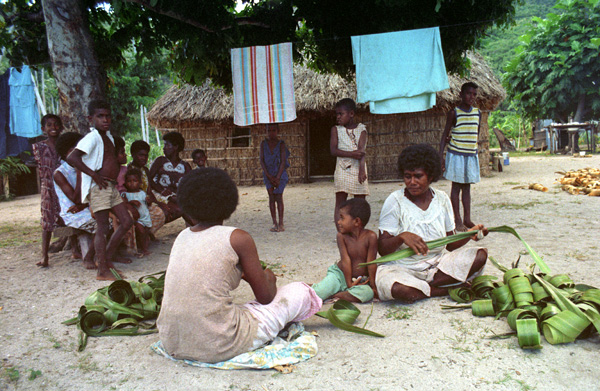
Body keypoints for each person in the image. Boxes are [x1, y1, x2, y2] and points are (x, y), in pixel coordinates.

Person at [157, 168, 322, 363]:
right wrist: (269, 276)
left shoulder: (182, 237)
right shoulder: (238, 238)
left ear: (187, 207)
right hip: (220, 344)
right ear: (229, 204)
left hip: (172, 341)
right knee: (299, 291)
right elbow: (266, 297)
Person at [377, 144, 488, 303]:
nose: (412, 182)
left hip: (438, 265)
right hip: (404, 268)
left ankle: (422, 288)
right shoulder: (395, 201)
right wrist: (401, 237)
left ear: (430, 176)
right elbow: (382, 249)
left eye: (418, 176)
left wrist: (470, 234)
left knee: (480, 255)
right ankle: (440, 289)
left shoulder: (442, 199)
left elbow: (450, 244)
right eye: (408, 176)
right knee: (398, 288)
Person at [67, 100, 133, 281]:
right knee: (103, 227)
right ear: (91, 119)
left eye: (107, 116)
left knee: (127, 220)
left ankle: (104, 257)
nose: (105, 120)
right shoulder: (92, 137)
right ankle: (102, 270)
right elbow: (72, 157)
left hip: (110, 186)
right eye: (100, 116)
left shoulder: (109, 137)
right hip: (99, 187)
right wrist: (94, 175)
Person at [312, 198, 378, 303]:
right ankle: (328, 291)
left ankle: (333, 294)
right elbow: (345, 260)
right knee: (319, 292)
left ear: (356, 221)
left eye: (342, 218)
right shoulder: (342, 236)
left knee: (367, 293)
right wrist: (348, 283)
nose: (338, 222)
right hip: (340, 275)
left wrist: (373, 286)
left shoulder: (371, 237)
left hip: (359, 279)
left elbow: (371, 263)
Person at [32, 114, 78, 267]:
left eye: (56, 125)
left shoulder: (66, 146)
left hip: (65, 186)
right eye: (49, 125)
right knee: (47, 222)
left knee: (67, 216)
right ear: (43, 129)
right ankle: (44, 256)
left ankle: (75, 250)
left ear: (62, 127)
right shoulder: (38, 147)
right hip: (48, 189)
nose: (53, 128)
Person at [439, 82, 481, 231]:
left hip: (470, 155)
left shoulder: (477, 113)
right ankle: (457, 220)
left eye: (474, 94)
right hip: (456, 154)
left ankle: (467, 219)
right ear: (461, 95)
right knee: (456, 187)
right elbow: (445, 135)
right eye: (469, 93)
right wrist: (440, 156)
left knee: (467, 187)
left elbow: (475, 132)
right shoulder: (454, 113)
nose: (472, 97)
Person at [53, 132, 97, 270]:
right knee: (101, 225)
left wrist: (83, 205)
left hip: (85, 208)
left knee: (112, 219)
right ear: (68, 153)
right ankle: (88, 257)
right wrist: (79, 172)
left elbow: (91, 193)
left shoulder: (86, 167)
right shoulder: (59, 173)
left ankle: (104, 255)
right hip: (72, 213)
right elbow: (76, 198)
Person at [330, 98, 368, 230]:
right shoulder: (336, 129)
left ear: (351, 114)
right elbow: (333, 150)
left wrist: (362, 170)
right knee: (340, 203)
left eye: (341, 114)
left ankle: (358, 231)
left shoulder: (361, 129)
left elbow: (361, 151)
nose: (338, 117)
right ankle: (341, 231)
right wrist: (352, 154)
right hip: (342, 169)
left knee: (360, 203)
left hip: (359, 168)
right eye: (337, 114)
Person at [148, 131, 192, 225]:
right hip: (160, 195)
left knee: (186, 207)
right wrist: (161, 190)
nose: (164, 148)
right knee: (181, 209)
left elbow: (190, 185)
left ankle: (197, 228)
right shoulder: (160, 161)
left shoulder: (185, 166)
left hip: (176, 197)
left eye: (167, 145)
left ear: (176, 147)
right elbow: (148, 179)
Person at [127, 140, 166, 238]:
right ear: (133, 154)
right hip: (136, 202)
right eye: (141, 155)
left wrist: (158, 203)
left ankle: (146, 234)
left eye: (146, 155)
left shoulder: (145, 170)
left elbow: (149, 190)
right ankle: (143, 236)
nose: (144, 158)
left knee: (161, 213)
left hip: (146, 201)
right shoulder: (129, 170)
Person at [259, 124, 290, 232]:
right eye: (269, 130)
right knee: (271, 197)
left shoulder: (281, 144)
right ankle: (274, 222)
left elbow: (282, 162)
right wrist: (269, 176)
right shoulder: (263, 144)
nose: (271, 133)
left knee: (279, 197)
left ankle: (281, 223)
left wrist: (277, 177)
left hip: (280, 174)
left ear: (278, 131)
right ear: (266, 131)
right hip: (268, 174)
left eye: (273, 130)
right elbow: (262, 161)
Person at [122, 168, 152, 257]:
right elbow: (125, 204)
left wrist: (148, 200)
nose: (131, 183)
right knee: (141, 232)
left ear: (140, 183)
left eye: (134, 181)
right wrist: (131, 202)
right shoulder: (125, 195)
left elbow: (148, 204)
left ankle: (145, 246)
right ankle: (144, 249)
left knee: (145, 233)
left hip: (145, 217)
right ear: (125, 183)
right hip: (138, 219)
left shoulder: (142, 193)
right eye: (129, 181)